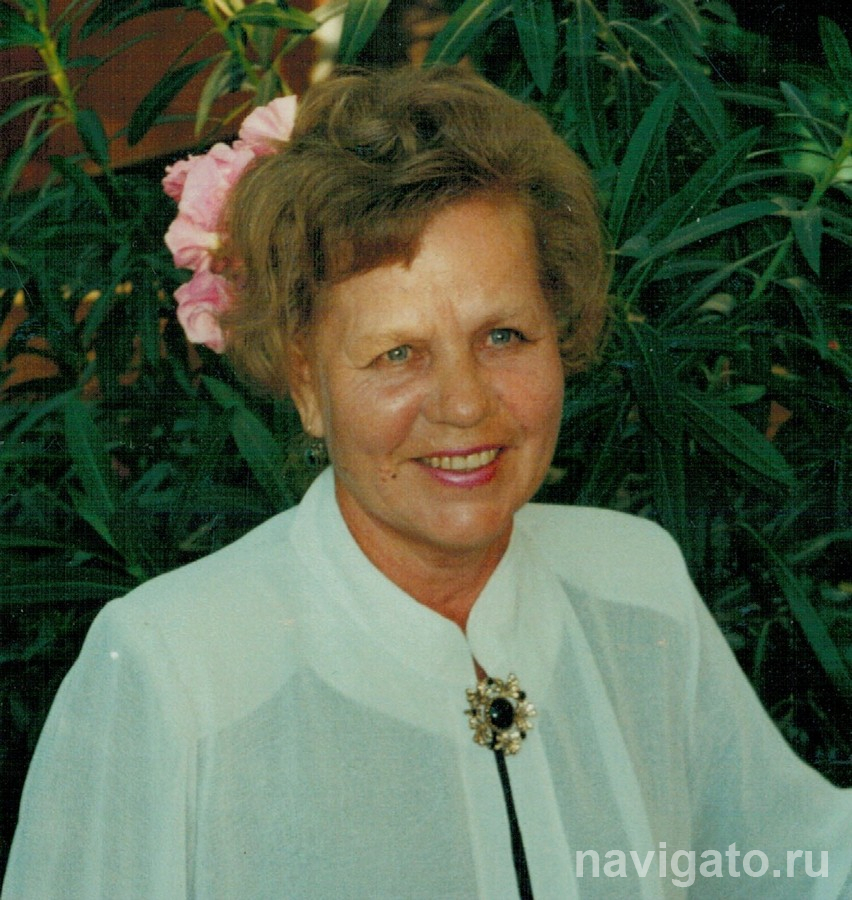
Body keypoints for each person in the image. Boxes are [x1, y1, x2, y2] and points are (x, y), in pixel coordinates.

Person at [2, 66, 850, 899]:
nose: (465, 403)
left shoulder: (636, 584)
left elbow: (791, 867)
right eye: (397, 353)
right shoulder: (174, 668)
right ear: (306, 381)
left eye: (505, 335)